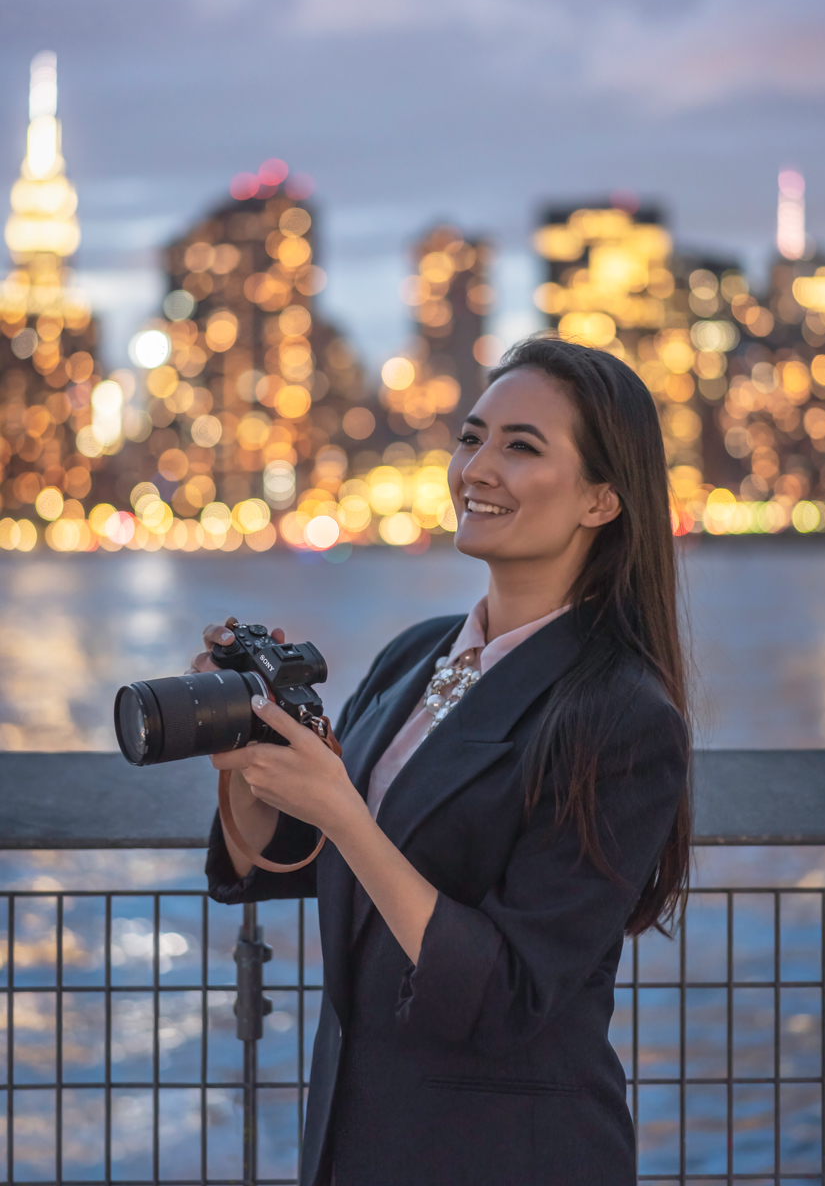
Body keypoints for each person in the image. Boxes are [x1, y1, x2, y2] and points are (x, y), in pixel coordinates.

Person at [199, 336, 691, 1186]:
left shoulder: (623, 716)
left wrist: (345, 811)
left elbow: (511, 991)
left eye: (522, 447)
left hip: (505, 1151)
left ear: (602, 500)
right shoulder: (415, 657)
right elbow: (299, 864)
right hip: (358, 1133)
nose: (478, 469)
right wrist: (244, 765)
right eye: (472, 438)